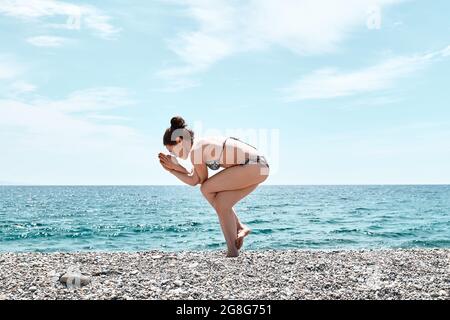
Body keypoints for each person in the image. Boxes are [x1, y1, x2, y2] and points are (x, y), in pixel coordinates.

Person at [158, 116, 270, 257]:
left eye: (171, 150)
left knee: (206, 189)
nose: (173, 155)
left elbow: (198, 181)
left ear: (179, 141)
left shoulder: (196, 151)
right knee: (222, 203)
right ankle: (234, 248)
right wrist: (175, 169)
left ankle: (238, 232)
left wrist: (173, 169)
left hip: (253, 166)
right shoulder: (199, 146)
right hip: (259, 168)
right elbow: (196, 177)